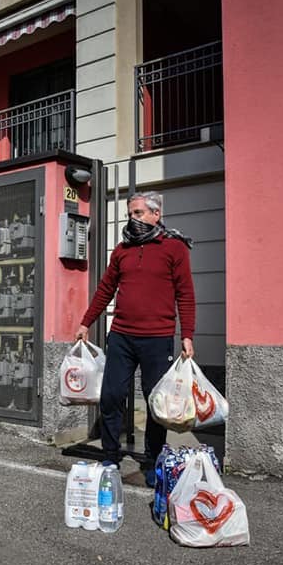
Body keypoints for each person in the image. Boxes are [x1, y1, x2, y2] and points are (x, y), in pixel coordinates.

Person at [75, 191, 196, 484]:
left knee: (157, 402)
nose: (133, 219)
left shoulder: (174, 248)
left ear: (156, 214)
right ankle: (110, 456)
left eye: (138, 213)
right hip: (121, 336)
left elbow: (186, 294)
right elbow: (105, 288)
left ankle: (153, 461)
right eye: (130, 213)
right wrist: (86, 322)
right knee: (111, 396)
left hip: (158, 339)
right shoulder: (122, 250)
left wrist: (187, 335)